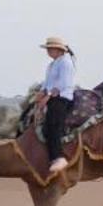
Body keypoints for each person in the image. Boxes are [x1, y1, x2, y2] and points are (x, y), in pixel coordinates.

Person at [37, 36, 77, 175]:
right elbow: (47, 82)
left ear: (57, 49)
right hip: (52, 97)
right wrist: (41, 92)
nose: (48, 51)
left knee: (54, 126)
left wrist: (47, 96)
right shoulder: (53, 64)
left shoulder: (65, 63)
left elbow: (62, 84)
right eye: (47, 49)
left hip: (61, 99)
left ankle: (59, 158)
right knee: (45, 127)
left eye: (50, 49)